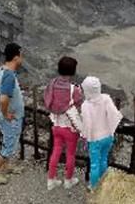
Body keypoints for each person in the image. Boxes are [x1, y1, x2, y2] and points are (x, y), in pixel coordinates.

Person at [44, 56, 85, 191]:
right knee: (70, 154)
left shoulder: (52, 83)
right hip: (69, 128)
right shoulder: (74, 89)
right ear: (73, 71)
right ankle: (68, 180)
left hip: (56, 125)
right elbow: (80, 104)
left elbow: (48, 99)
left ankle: (51, 179)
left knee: (56, 151)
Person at [0, 43, 25, 184]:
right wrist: (6, 114)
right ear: (16, 57)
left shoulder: (2, 69)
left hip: (10, 116)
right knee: (8, 145)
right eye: (21, 55)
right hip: (11, 118)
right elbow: (4, 98)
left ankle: (7, 166)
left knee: (11, 142)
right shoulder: (9, 76)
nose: (22, 58)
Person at [81, 76, 123, 190]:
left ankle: (94, 187)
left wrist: (86, 138)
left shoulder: (86, 105)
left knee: (94, 165)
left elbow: (87, 124)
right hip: (108, 137)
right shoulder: (106, 98)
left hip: (95, 139)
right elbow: (114, 114)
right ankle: (104, 183)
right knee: (104, 160)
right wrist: (111, 130)